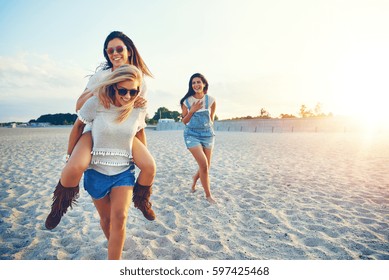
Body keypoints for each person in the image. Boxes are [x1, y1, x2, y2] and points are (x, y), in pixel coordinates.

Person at [45, 31, 156, 230]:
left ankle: (142, 200)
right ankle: (59, 206)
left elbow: (139, 120)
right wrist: (100, 91)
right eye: (110, 50)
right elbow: (78, 105)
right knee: (74, 166)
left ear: (128, 51)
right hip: (96, 128)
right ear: (107, 53)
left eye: (119, 49)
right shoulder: (101, 76)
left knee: (149, 165)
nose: (115, 53)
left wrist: (137, 100)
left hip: (126, 129)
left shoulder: (139, 79)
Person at [77, 64, 145, 259]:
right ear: (114, 86)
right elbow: (77, 127)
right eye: (123, 90)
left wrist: (143, 157)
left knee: (120, 217)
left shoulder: (137, 107)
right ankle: (114, 243)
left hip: (123, 170)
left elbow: (139, 134)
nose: (127, 96)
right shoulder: (96, 103)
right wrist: (70, 158)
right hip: (96, 169)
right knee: (106, 219)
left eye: (133, 91)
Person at [180, 73, 216, 204]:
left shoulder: (210, 100)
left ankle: (194, 180)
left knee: (206, 166)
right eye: (193, 83)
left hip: (208, 135)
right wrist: (192, 110)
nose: (196, 85)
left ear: (204, 84)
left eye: (198, 82)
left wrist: (209, 127)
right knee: (204, 164)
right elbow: (184, 121)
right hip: (192, 135)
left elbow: (211, 118)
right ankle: (208, 195)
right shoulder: (187, 101)